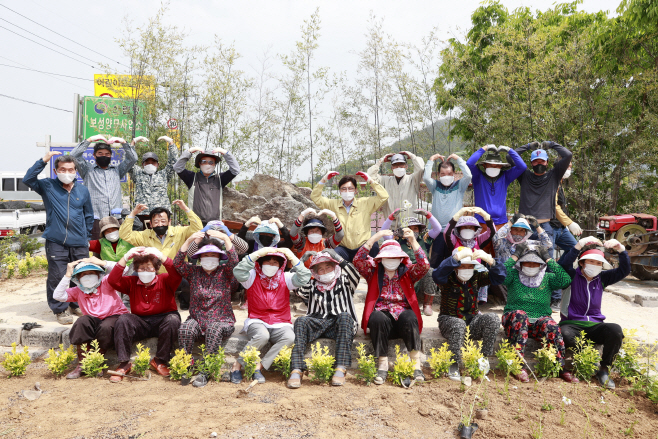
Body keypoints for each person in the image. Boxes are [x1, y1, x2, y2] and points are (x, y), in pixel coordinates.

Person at [24, 150, 94, 325]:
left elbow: (88, 215)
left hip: (79, 242)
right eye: (63, 169)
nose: (67, 173)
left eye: (71, 170)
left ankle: (76, 304)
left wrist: (86, 236)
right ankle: (60, 309)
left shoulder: (83, 190)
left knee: (81, 275)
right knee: (58, 276)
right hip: (56, 241)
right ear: (56, 171)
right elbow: (28, 179)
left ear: (76, 171)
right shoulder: (48, 186)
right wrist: (43, 160)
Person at [354, 229, 430, 385]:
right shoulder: (372, 271)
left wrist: (413, 241)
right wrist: (377, 236)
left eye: (395, 257)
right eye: (387, 257)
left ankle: (415, 364)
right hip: (383, 320)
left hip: (402, 319)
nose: (391, 260)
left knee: (410, 316)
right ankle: (382, 363)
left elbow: (424, 265)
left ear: (401, 258)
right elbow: (358, 260)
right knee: (376, 317)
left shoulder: (408, 272)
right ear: (381, 259)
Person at [558, 237, 630, 389]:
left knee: (615, 330)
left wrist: (621, 249)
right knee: (564, 333)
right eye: (591, 261)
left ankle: (603, 369)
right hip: (572, 324)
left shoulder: (602, 278)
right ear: (582, 263)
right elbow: (563, 264)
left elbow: (625, 270)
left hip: (596, 325)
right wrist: (579, 245)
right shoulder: (571, 276)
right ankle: (587, 361)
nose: (595, 265)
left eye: (598, 263)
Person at [231, 246, 311, 384]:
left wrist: (292, 257)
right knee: (262, 336)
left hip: (281, 321)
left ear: (281, 265)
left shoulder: (286, 278)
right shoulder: (251, 276)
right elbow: (238, 271)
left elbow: (305, 277)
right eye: (267, 261)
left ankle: (259, 367)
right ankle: (237, 365)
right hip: (257, 319)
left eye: (275, 262)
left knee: (290, 337)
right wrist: (256, 254)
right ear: (260, 263)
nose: (271, 265)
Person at [501, 243, 577, 383]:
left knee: (551, 325)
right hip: (515, 320)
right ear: (521, 264)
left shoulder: (547, 278)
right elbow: (500, 273)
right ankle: (518, 365)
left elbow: (565, 279)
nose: (531, 266)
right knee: (520, 315)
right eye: (527, 263)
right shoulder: (513, 275)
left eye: (535, 263)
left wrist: (548, 259)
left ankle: (559, 366)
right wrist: (515, 255)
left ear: (541, 265)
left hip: (538, 322)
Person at [288, 249, 360, 388]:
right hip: (317, 324)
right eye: (320, 269)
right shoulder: (312, 285)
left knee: (345, 316)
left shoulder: (345, 281)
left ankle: (341, 367)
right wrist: (301, 261)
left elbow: (354, 274)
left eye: (328, 267)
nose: (325, 271)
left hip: (340, 325)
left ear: (335, 267)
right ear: (315, 272)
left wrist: (336, 256)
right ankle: (297, 369)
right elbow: (293, 283)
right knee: (301, 321)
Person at [108, 247, 182, 382]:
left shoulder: (165, 279)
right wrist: (126, 257)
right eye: (141, 268)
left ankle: (159, 360)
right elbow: (113, 281)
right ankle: (124, 363)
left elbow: (176, 274)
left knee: (173, 320)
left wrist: (161, 255)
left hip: (164, 318)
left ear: (156, 268)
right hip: (140, 321)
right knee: (123, 319)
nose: (145, 270)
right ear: (136, 270)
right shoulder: (131, 282)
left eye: (149, 266)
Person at [174, 231, 239, 387]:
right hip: (197, 319)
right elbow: (177, 263)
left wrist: (224, 238)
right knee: (185, 329)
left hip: (222, 321)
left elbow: (235, 261)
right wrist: (189, 239)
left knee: (213, 328)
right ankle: (186, 366)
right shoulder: (193, 272)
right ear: (199, 258)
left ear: (219, 258)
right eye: (205, 255)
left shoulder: (226, 272)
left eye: (213, 255)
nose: (209, 259)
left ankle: (206, 370)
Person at [432, 247, 505, 381]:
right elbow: (436, 274)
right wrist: (454, 258)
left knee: (493, 318)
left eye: (469, 266)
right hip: (449, 321)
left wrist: (491, 261)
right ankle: (453, 364)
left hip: (472, 321)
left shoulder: (477, 276)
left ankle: (483, 359)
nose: (467, 269)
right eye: (462, 266)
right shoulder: (447, 278)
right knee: (458, 324)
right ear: (455, 267)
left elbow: (499, 277)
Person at [53, 257, 128, 379]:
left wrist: (102, 262)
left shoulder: (106, 282)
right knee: (81, 321)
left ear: (98, 275)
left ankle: (97, 361)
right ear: (78, 279)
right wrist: (67, 274)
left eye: (91, 273)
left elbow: (125, 270)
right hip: (94, 320)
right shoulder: (78, 290)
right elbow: (57, 295)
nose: (88, 277)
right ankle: (82, 363)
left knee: (106, 327)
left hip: (114, 315)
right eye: (84, 274)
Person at [70, 134, 137, 239]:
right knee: (97, 249)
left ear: (111, 156)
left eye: (107, 154)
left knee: (117, 250)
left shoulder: (117, 170)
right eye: (100, 153)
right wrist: (90, 139)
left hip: (116, 219)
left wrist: (123, 142)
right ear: (94, 155)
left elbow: (132, 158)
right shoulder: (87, 170)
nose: (104, 156)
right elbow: (74, 156)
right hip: (96, 219)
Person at [311, 171, 388, 262]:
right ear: (340, 191)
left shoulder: (365, 203)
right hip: (344, 249)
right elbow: (315, 197)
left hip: (363, 247)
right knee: (331, 256)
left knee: (374, 246)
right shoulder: (333, 204)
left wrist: (370, 180)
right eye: (344, 189)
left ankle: (376, 274)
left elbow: (384, 196)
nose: (347, 191)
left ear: (355, 191)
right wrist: (323, 180)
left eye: (350, 188)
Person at [380, 208, 442, 316]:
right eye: (409, 228)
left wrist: (428, 215)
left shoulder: (425, 239)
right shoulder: (397, 240)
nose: (412, 231)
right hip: (404, 275)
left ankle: (427, 304)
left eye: (415, 229)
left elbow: (438, 228)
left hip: (420, 275)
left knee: (430, 271)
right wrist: (391, 217)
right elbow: (384, 231)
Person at [118, 199, 203, 271]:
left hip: (178, 274)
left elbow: (197, 228)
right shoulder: (145, 235)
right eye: (156, 222)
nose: (159, 224)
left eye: (163, 221)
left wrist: (186, 209)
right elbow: (125, 234)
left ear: (169, 222)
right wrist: (133, 214)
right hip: (153, 276)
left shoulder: (179, 231)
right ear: (150, 224)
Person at [466, 144, 526, 234]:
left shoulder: (506, 177)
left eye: (496, 165)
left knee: (499, 247)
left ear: (501, 166)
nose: (493, 168)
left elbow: (522, 167)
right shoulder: (478, 177)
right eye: (490, 165)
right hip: (482, 223)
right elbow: (469, 163)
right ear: (485, 166)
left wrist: (509, 150)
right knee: (482, 248)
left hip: (501, 223)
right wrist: (485, 148)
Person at [173, 146, 240, 225]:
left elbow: (235, 170)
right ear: (199, 163)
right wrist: (189, 151)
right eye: (204, 161)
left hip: (215, 224)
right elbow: (177, 167)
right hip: (195, 223)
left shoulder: (220, 179)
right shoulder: (192, 178)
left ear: (215, 164)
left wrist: (225, 153)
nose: (207, 164)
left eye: (211, 162)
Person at [444, 207, 495, 304]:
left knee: (484, 272)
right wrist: (458, 214)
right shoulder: (454, 240)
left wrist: (486, 216)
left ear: (476, 229)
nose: (468, 229)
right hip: (458, 269)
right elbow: (447, 233)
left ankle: (477, 303)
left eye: (471, 227)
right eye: (464, 227)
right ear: (458, 229)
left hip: (475, 270)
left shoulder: (478, 240)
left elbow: (491, 232)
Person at [129, 135, 180, 218]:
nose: (150, 164)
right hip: (142, 214)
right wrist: (133, 143)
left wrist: (171, 143)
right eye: (147, 162)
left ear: (158, 165)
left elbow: (174, 161)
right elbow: (129, 161)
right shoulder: (138, 174)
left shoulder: (163, 174)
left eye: (153, 162)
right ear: (142, 164)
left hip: (161, 214)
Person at [366, 151, 425, 218]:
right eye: (395, 165)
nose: (398, 167)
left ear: (406, 166)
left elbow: (420, 169)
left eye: (401, 164)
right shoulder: (385, 181)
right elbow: (370, 176)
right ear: (392, 168)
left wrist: (412, 156)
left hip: (408, 222)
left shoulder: (413, 179)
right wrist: (380, 161)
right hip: (391, 222)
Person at [423, 153, 472, 228]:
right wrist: (431, 159)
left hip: (454, 230)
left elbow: (468, 176)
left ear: (454, 173)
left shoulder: (460, 186)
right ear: (439, 174)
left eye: (449, 174)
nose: (446, 176)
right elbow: (426, 178)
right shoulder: (435, 185)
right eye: (443, 174)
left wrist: (458, 159)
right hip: (435, 229)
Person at [550, 162, 581, 256]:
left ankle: (559, 269)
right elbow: (553, 205)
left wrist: (565, 224)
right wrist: (569, 222)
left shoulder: (560, 183)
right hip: (550, 226)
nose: (569, 169)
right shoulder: (552, 182)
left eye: (571, 167)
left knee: (574, 248)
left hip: (560, 227)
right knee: (548, 257)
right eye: (567, 166)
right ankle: (552, 270)